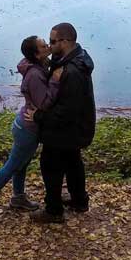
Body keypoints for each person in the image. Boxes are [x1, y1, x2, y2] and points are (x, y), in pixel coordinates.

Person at [0, 35, 61, 217]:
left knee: (22, 164)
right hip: (28, 130)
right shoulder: (35, 75)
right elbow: (43, 103)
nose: (48, 46)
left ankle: (18, 198)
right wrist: (55, 81)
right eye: (44, 45)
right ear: (36, 55)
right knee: (13, 165)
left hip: (24, 125)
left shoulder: (37, 64)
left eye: (47, 42)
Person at [24, 22, 95, 224]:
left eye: (53, 41)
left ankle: (53, 211)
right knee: (73, 162)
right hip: (78, 127)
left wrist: (38, 116)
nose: (49, 45)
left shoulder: (71, 72)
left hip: (67, 129)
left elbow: (66, 111)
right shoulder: (75, 57)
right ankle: (79, 200)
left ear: (65, 41)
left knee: (50, 165)